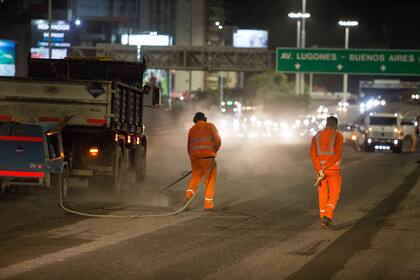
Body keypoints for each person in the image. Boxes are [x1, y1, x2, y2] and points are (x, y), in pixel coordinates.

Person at [310, 116, 343, 227]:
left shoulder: (316, 136)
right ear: (335, 125)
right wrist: (326, 167)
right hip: (333, 170)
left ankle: (322, 219)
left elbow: (313, 155)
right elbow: (337, 154)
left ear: (326, 124)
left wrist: (320, 169)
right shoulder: (338, 136)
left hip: (320, 172)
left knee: (322, 194)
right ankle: (327, 215)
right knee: (334, 194)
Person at [184, 112, 221, 210]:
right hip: (208, 158)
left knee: (195, 179)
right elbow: (218, 141)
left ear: (195, 120)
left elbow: (189, 147)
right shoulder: (210, 126)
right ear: (205, 119)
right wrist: (213, 152)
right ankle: (208, 205)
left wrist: (193, 158)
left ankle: (187, 198)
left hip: (195, 159)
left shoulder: (191, 130)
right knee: (209, 180)